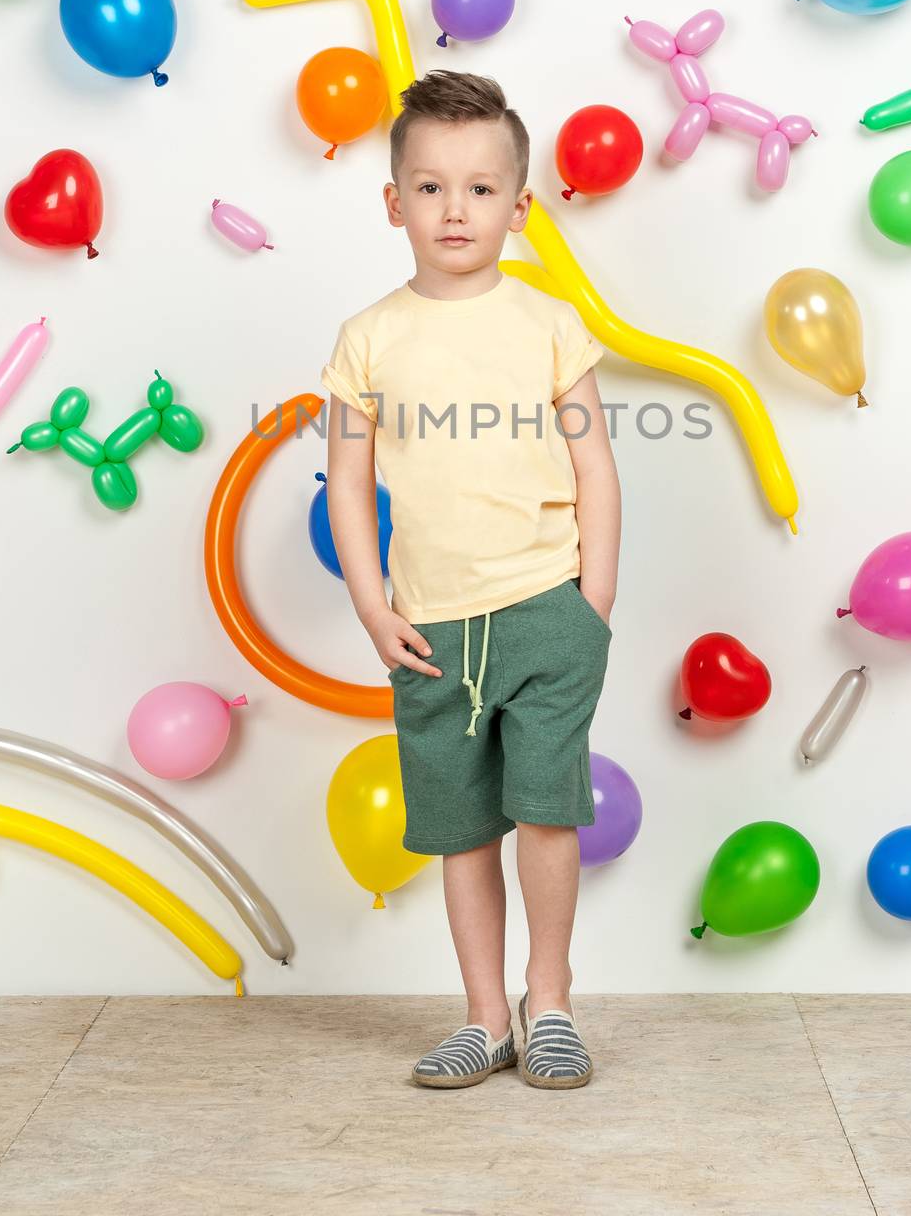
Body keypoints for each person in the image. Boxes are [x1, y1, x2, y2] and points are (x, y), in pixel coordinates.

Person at [320, 69, 621, 1090]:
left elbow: (595, 469)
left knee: (544, 811)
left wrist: (595, 607)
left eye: (482, 188)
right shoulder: (368, 337)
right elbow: (349, 484)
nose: (457, 208)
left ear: (519, 205)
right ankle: (484, 1017)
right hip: (429, 625)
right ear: (393, 201)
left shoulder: (546, 322)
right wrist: (370, 603)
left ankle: (551, 1004)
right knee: (461, 828)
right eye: (432, 186)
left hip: (548, 609)